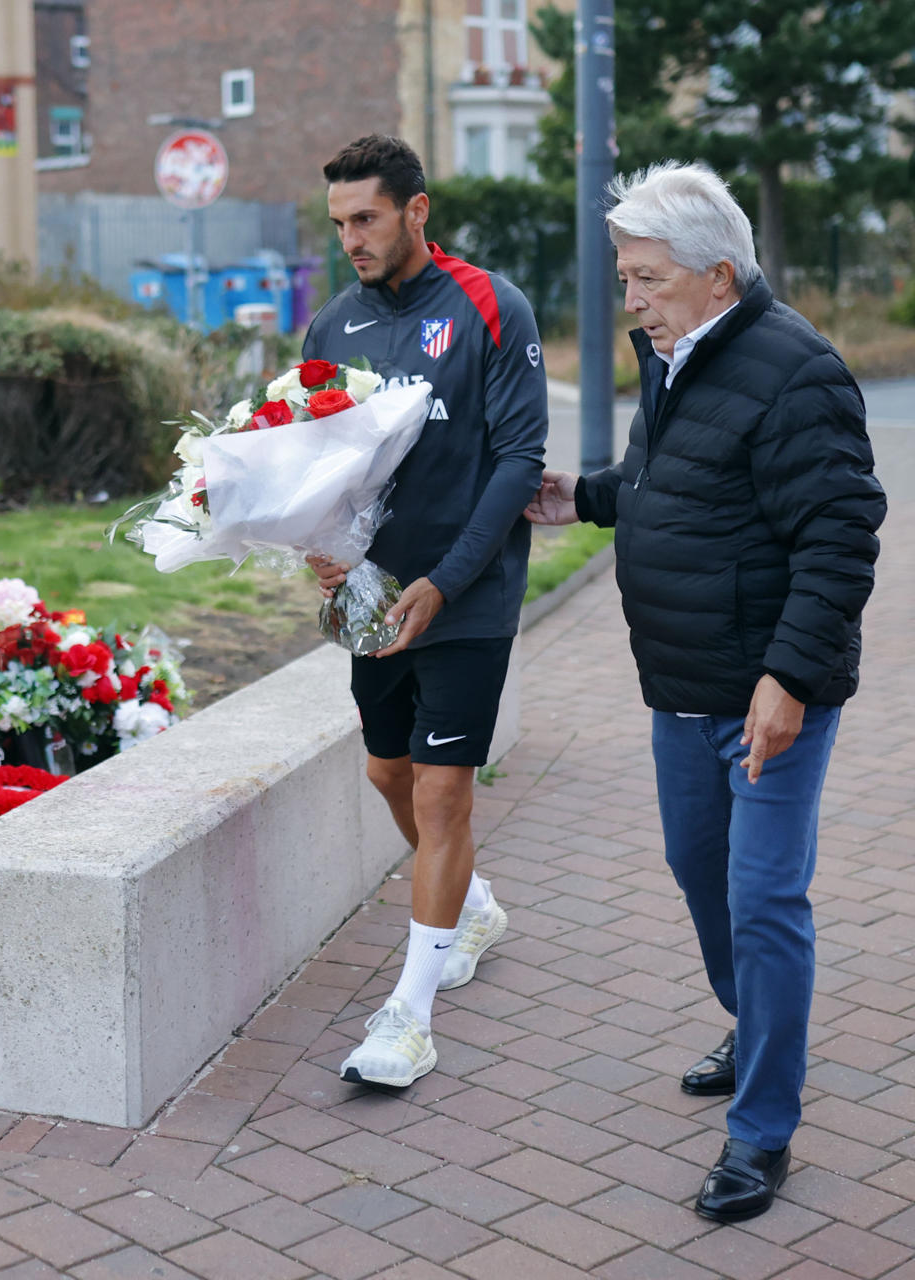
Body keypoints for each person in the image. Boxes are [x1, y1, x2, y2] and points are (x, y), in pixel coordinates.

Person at [525, 161, 883, 1222]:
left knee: (765, 899)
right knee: (699, 869)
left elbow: (839, 534)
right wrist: (580, 496)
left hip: (770, 691)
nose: (629, 298)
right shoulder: (678, 356)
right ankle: (753, 1019)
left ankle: (763, 1128)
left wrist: (789, 679)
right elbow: (668, 483)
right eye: (626, 277)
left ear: (717, 275)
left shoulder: (794, 370)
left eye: (643, 278)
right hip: (681, 685)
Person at [302, 136, 549, 1088]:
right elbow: (319, 465)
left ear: (417, 211)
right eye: (339, 224)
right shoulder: (332, 326)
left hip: (468, 593)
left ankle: (410, 1014)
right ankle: (473, 906)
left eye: (365, 218)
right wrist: (320, 547)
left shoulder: (492, 305)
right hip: (373, 600)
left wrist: (444, 579)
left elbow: (519, 460)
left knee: (446, 793)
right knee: (386, 772)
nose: (351, 239)